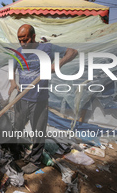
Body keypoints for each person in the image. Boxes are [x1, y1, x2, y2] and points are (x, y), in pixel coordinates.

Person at [8, 24, 78, 174]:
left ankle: (35, 161)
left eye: (25, 40)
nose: (22, 44)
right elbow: (11, 68)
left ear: (33, 36)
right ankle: (15, 154)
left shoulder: (47, 49)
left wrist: (57, 65)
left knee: (38, 131)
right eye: (20, 40)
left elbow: (73, 52)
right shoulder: (19, 52)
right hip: (22, 98)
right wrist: (13, 82)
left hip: (39, 100)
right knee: (17, 128)